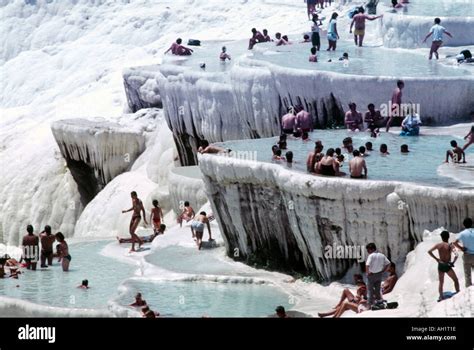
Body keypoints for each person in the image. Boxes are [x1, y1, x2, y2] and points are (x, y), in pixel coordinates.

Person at [428, 230, 460, 301]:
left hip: (441, 265)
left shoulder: (438, 245)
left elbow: (429, 251)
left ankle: (441, 297)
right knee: (455, 280)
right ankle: (458, 293)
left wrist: (436, 259)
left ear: (441, 237)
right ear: (448, 237)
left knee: (441, 282)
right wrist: (453, 262)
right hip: (447, 265)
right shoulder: (450, 245)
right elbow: (457, 255)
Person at [365, 243, 391, 307]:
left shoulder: (371, 256)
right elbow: (388, 263)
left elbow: (367, 265)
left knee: (370, 289)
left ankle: (369, 303)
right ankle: (379, 301)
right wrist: (383, 270)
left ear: (372, 249)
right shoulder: (382, 255)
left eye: (368, 250)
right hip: (379, 274)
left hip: (371, 274)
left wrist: (368, 272)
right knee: (377, 289)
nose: (368, 252)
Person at [454, 218, 474, 287]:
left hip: (467, 255)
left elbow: (455, 243)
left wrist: (462, 248)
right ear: (472, 224)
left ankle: (468, 289)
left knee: (467, 275)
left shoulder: (462, 233)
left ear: (464, 225)